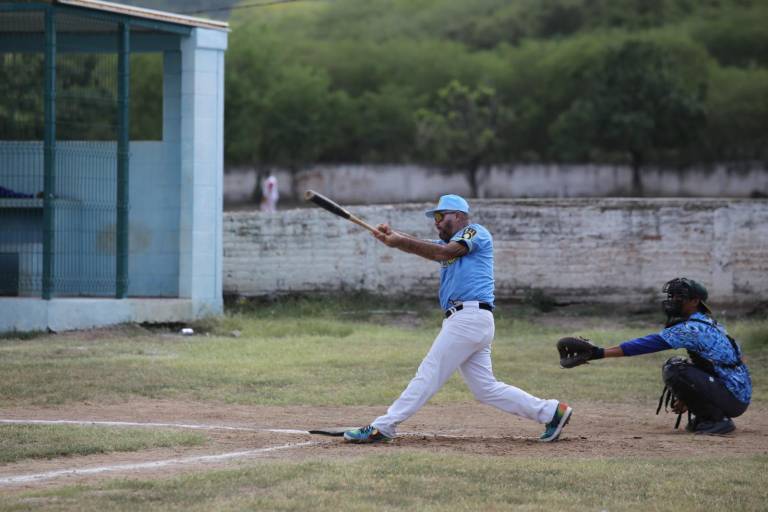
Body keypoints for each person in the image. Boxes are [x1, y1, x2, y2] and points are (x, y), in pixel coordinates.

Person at [343, 194, 572, 443]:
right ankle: (551, 411)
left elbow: (442, 252)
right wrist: (395, 239)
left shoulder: (475, 232)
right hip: (470, 320)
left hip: (469, 318)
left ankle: (383, 427)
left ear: (459, 216)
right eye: (435, 218)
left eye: (441, 216)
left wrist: (399, 240)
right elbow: (427, 247)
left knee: (428, 373)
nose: (437, 222)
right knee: (485, 388)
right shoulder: (449, 243)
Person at [558, 277, 751, 435]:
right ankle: (709, 417)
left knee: (675, 369)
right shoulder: (709, 323)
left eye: (680, 296)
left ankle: (719, 420)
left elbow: (647, 344)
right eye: (671, 295)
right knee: (680, 366)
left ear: (695, 301)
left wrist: (598, 353)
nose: (673, 299)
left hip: (733, 397)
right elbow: (735, 359)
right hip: (736, 394)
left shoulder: (693, 328)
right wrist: (692, 396)